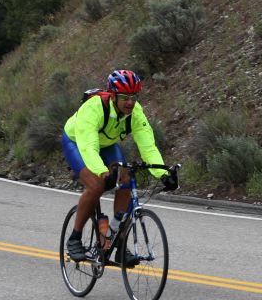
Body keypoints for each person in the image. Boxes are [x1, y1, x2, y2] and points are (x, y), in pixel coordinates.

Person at [61, 69, 176, 262]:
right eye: (125, 97)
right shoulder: (94, 109)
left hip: (106, 144)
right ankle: (75, 238)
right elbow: (88, 146)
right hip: (77, 142)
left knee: (127, 181)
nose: (130, 102)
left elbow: (148, 146)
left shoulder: (135, 112)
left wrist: (162, 173)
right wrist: (102, 171)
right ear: (113, 96)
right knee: (96, 185)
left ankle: (118, 241)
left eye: (134, 97)